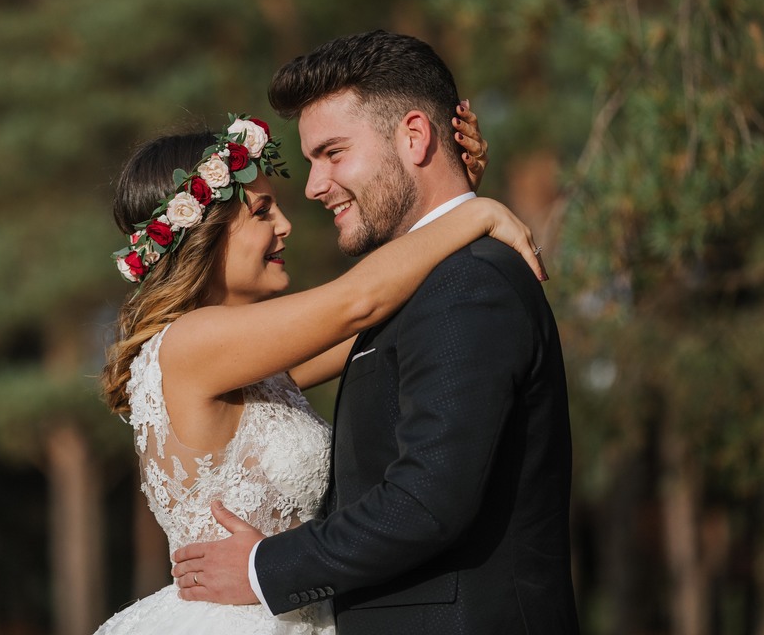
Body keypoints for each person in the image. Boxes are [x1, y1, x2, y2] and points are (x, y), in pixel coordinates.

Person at [171, 31, 581, 634]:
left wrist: (266, 568)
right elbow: (356, 305)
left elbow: (427, 500)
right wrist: (476, 208)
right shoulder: (418, 290)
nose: (311, 188)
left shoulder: (466, 286)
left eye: (333, 153)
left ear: (415, 137)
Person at [95, 106, 544, 635]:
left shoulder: (247, 363)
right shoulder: (192, 342)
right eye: (262, 212)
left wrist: (446, 194)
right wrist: (475, 214)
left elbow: (394, 311)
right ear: (205, 234)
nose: (285, 226)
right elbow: (359, 302)